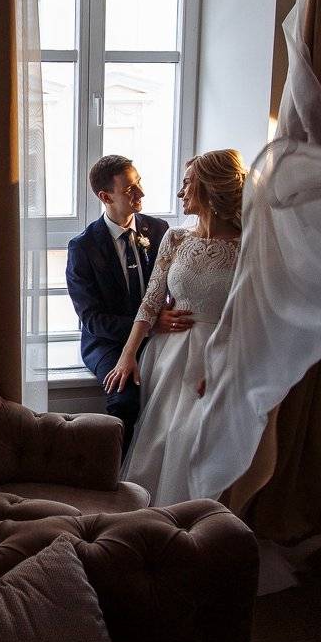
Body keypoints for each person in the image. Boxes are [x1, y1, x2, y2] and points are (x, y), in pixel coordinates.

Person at [110, 149, 246, 507]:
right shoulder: (176, 238)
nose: (180, 192)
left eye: (187, 183)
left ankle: (197, 519)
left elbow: (254, 317)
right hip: (168, 357)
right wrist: (128, 355)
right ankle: (151, 520)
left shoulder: (249, 247)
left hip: (220, 355)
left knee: (194, 440)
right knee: (159, 441)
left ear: (210, 187)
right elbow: (151, 300)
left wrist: (227, 367)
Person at [65, 155, 187, 444]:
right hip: (107, 342)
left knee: (182, 393)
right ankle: (119, 468)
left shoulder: (158, 230)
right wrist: (150, 325)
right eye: (130, 189)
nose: (141, 193)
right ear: (105, 197)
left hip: (159, 335)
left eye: (139, 183)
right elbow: (93, 320)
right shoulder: (83, 247)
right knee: (125, 399)